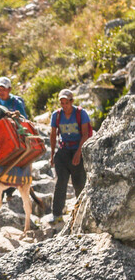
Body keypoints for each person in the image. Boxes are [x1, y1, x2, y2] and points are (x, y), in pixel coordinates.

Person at [50, 89, 90, 224]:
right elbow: (53, 135)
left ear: (71, 101)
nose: (64, 105)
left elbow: (85, 135)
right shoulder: (56, 115)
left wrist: (79, 153)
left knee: (79, 183)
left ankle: (81, 213)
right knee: (61, 182)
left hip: (77, 149)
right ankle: (56, 214)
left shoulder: (81, 114)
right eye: (62, 103)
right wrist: (52, 154)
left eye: (66, 102)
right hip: (63, 151)